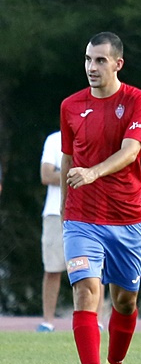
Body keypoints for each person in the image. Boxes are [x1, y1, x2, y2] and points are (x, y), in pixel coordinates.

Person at [61, 32, 141, 364]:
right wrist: (65, 215)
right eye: (87, 59)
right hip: (81, 218)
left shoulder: (137, 101)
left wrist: (93, 172)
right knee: (86, 292)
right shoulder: (70, 106)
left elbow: (130, 151)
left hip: (127, 218)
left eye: (100, 60)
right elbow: (69, 161)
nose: (91, 67)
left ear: (118, 64)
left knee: (124, 301)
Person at [39, 130, 66, 332]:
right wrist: (76, 171)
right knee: (52, 269)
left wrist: (62, 171)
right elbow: (46, 175)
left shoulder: (96, 135)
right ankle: (48, 321)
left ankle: (96, 322)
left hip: (88, 211)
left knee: (93, 271)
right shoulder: (54, 139)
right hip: (55, 212)